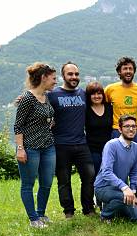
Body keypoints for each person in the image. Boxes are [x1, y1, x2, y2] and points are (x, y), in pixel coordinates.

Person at [47, 62, 96, 218]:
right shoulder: (53, 95)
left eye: (76, 74)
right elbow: (38, 101)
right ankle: (69, 211)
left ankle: (88, 209)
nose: (74, 77)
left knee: (89, 176)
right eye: (70, 74)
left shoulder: (83, 94)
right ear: (63, 76)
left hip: (81, 143)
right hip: (60, 145)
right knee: (64, 180)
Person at [14, 63, 57, 228]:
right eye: (53, 78)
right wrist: (20, 149)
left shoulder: (46, 97)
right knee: (28, 184)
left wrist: (49, 122)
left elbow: (47, 118)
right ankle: (33, 219)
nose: (55, 82)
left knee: (46, 182)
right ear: (43, 77)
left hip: (48, 146)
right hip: (30, 148)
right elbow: (18, 126)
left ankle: (41, 214)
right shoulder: (27, 98)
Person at [93, 115, 137, 223]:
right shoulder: (111, 145)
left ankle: (115, 207)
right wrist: (125, 188)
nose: (131, 129)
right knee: (123, 198)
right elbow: (106, 172)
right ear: (120, 129)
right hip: (103, 187)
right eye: (127, 126)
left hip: (120, 190)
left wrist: (133, 191)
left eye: (134, 126)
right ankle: (105, 215)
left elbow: (134, 172)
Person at [104, 56, 137, 167]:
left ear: (134, 71)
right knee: (118, 166)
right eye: (125, 69)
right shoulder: (110, 89)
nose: (128, 71)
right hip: (117, 131)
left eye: (130, 69)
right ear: (119, 72)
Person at [85, 81, 113, 178]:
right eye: (93, 94)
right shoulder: (86, 109)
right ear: (89, 96)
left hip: (109, 149)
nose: (96, 96)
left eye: (99, 93)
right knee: (96, 176)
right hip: (93, 150)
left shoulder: (110, 108)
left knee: (110, 175)